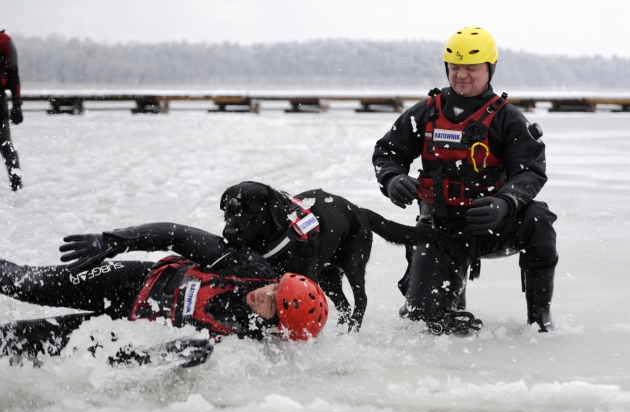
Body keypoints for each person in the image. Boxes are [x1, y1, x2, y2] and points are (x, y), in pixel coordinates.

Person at [372, 27, 558, 334]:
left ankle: (540, 317)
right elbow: (387, 152)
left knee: (539, 219)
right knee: (424, 324)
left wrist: (504, 202)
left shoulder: (507, 118)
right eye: (455, 67)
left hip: (493, 223)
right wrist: (392, 179)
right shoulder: (425, 113)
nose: (462, 75)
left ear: (490, 68)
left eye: (471, 68)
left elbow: (530, 171)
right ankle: (448, 300)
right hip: (439, 227)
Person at [0, 223, 329, 367]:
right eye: (273, 288)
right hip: (131, 282)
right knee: (24, 284)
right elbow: (176, 234)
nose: (263, 295)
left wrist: (162, 357)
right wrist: (115, 241)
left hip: (125, 330)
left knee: (16, 339)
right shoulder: (248, 267)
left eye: (272, 304)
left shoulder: (246, 347)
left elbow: (138, 360)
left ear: (275, 326)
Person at [0, 30, 23, 192]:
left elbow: (13, 74)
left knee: (5, 145)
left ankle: (17, 188)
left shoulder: (4, 41)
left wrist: (16, 104)